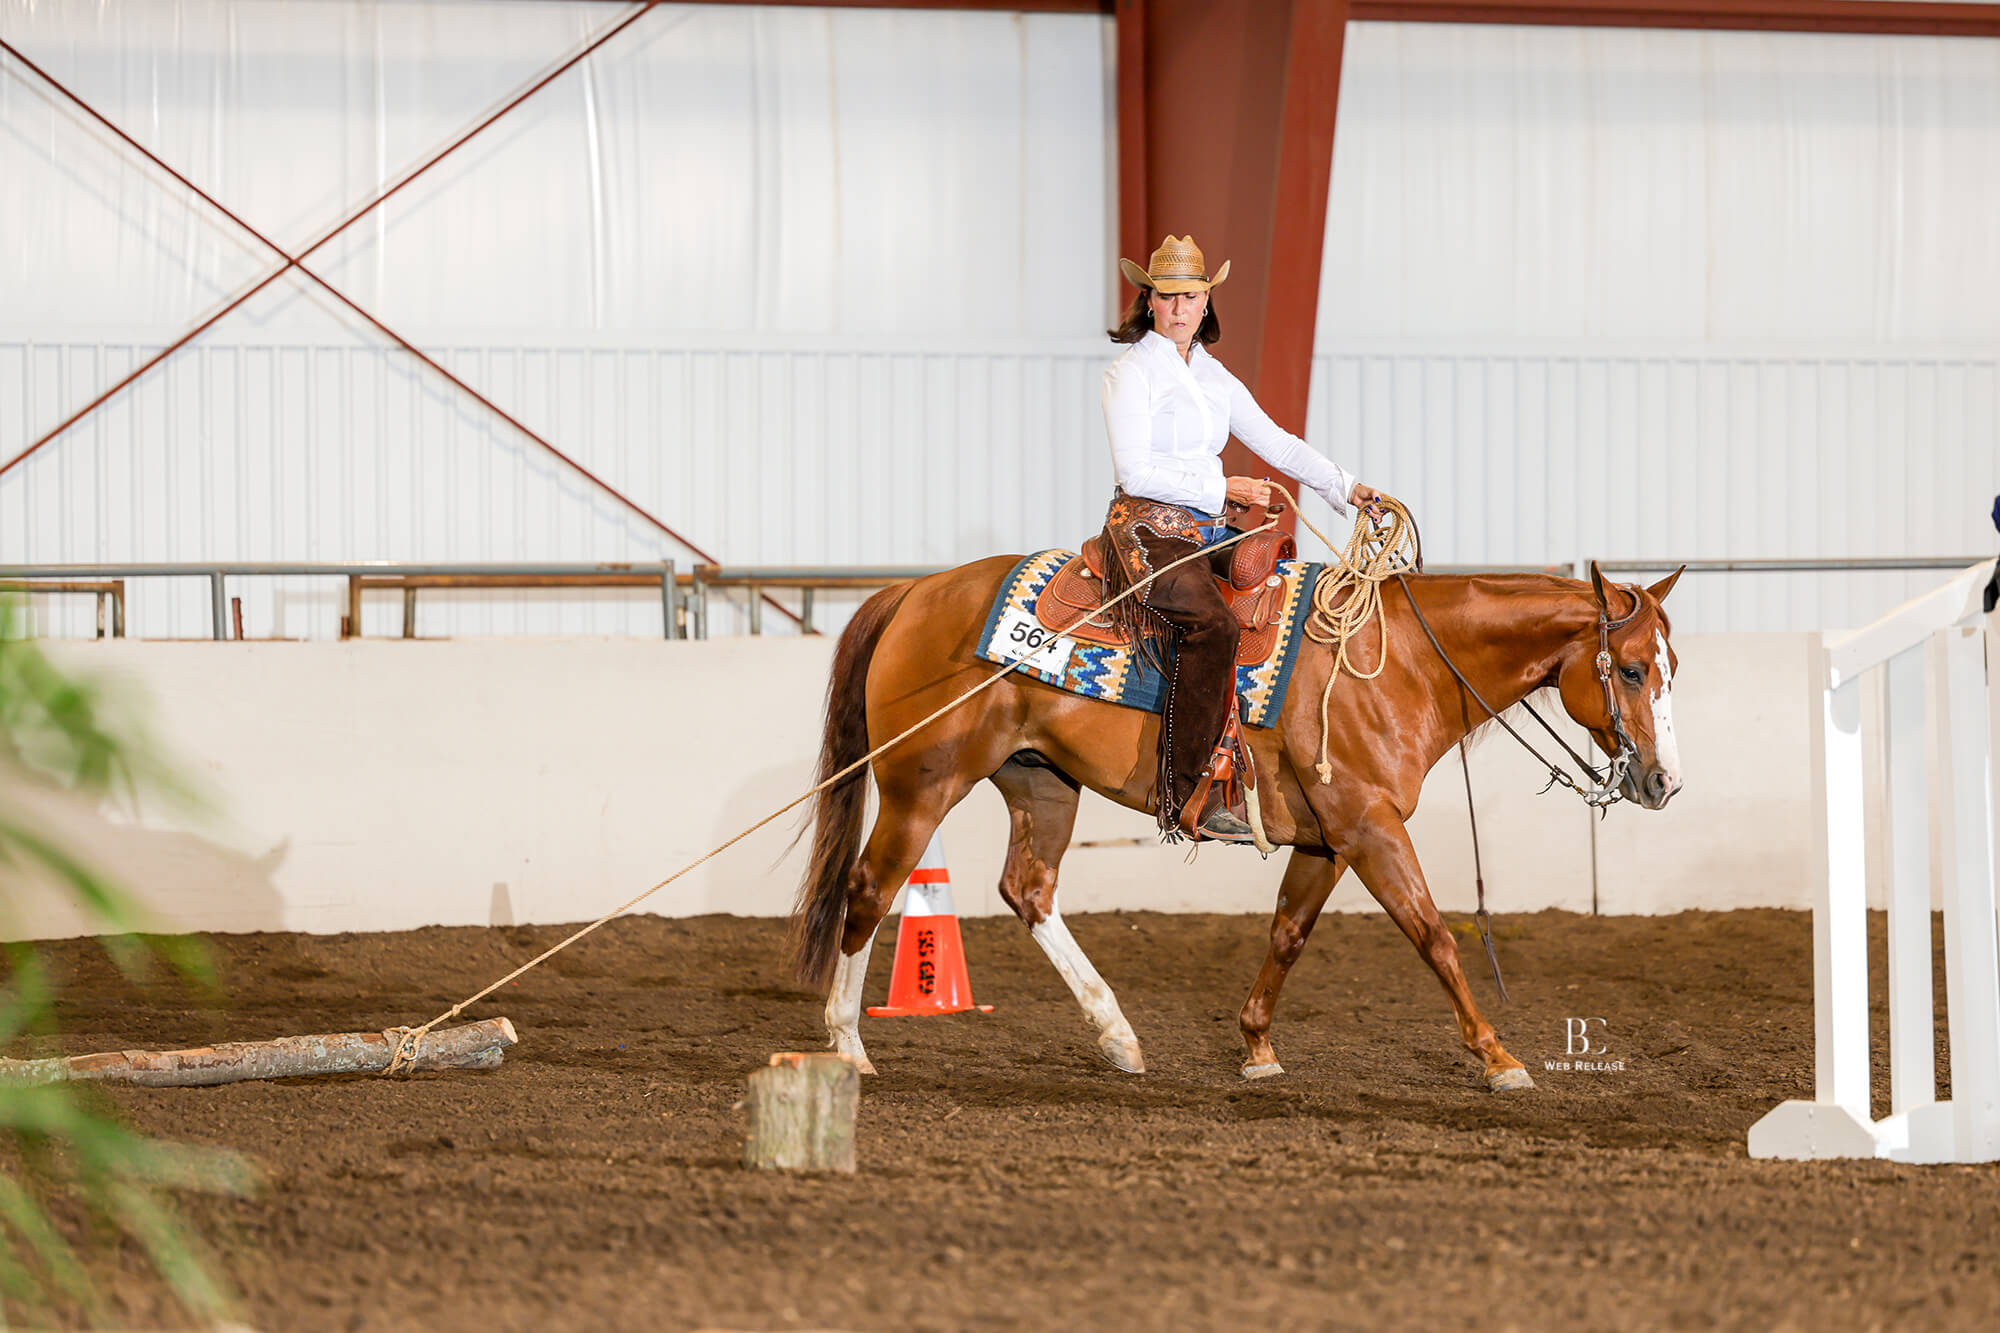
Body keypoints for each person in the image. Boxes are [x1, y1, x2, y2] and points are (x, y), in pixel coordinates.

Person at [1099, 235, 1379, 842]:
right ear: (1150, 301)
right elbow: (1135, 472)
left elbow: (1275, 441)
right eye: (1167, 297)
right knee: (1213, 626)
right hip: (1147, 529)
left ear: (1206, 302)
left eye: (1191, 297)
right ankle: (1182, 792)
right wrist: (1226, 489)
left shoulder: (1213, 375)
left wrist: (1346, 488)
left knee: (1280, 585)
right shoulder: (1129, 373)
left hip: (1204, 527)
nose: (1179, 308)